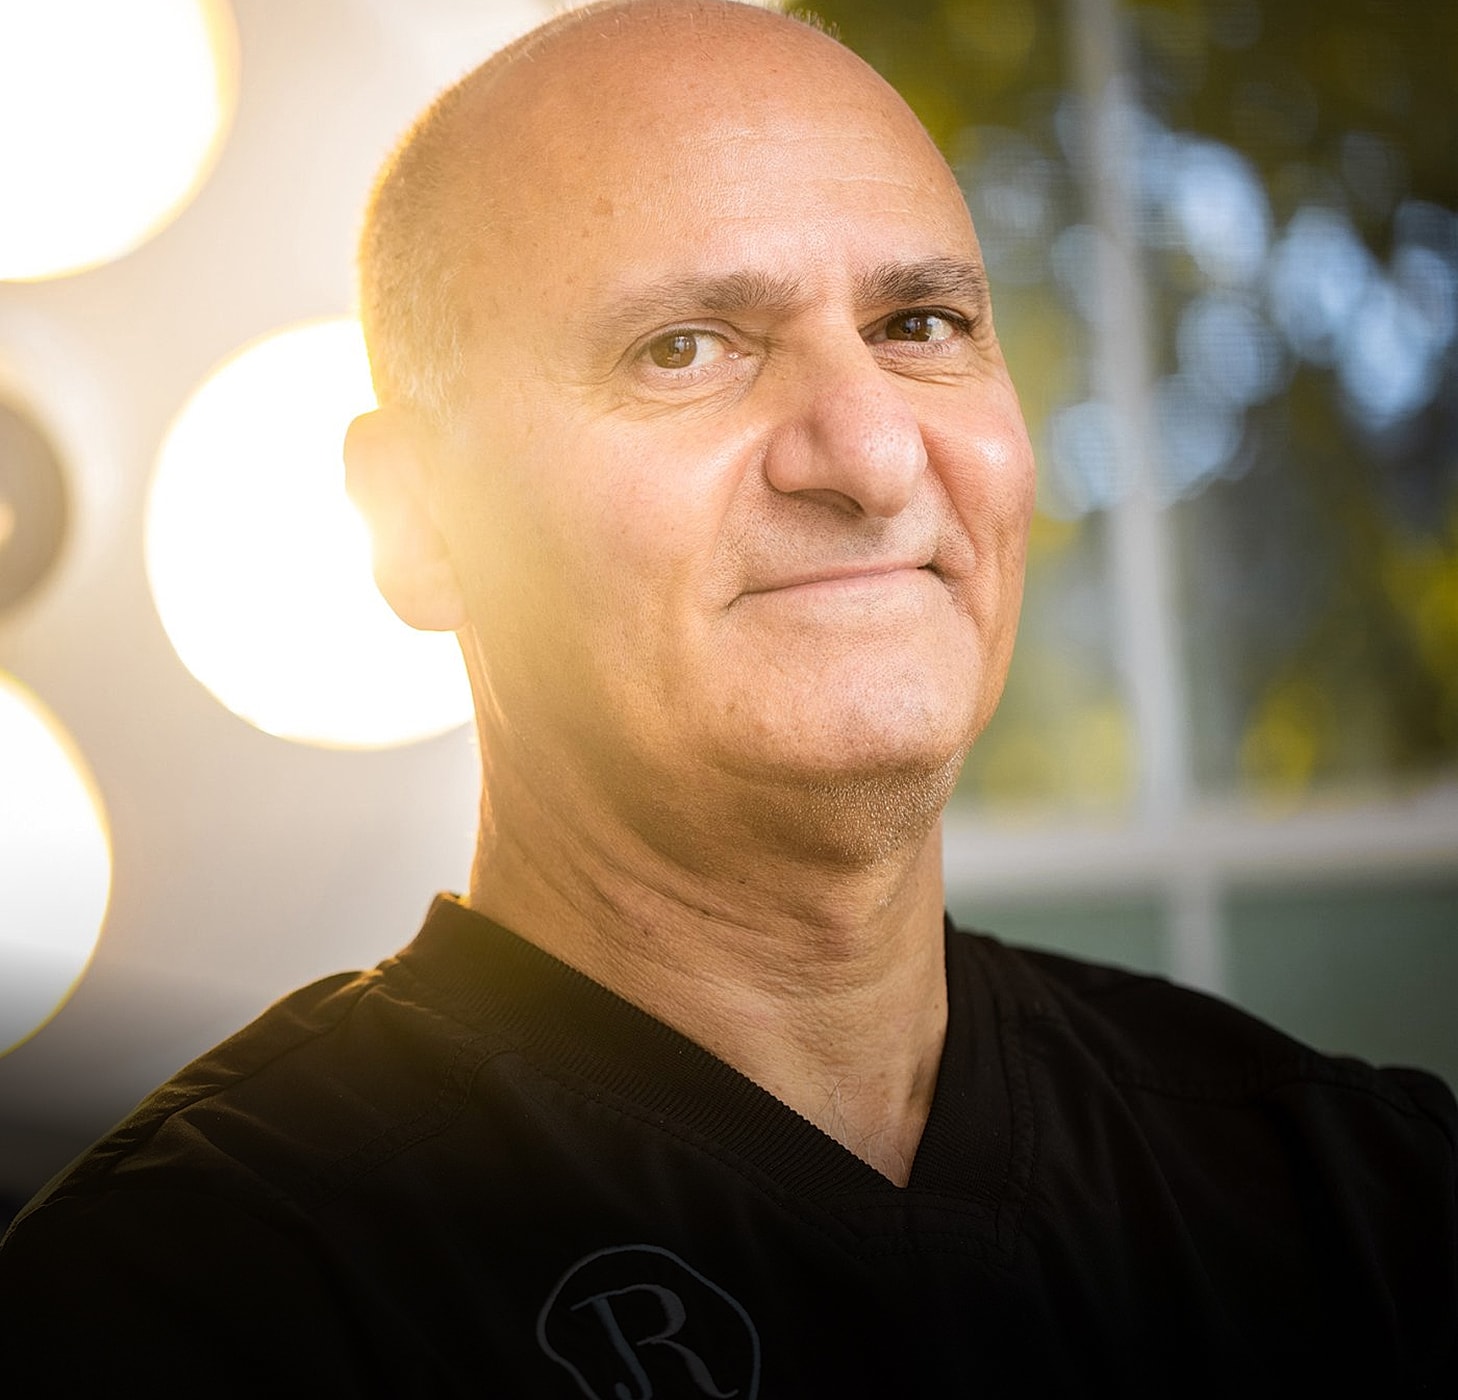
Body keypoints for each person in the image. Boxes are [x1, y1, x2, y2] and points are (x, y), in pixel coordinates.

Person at [1, 0, 1454, 1393]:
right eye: (683, 348)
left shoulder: (1372, 1204)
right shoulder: (179, 1304)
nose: (870, 454)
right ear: (423, 521)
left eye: (919, 325)